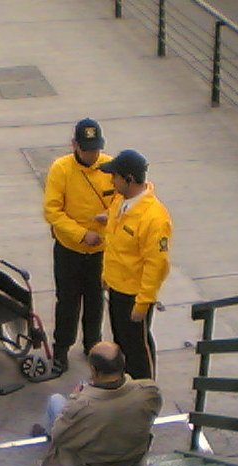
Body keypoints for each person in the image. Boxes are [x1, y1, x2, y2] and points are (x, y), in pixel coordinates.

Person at [43, 118, 115, 374]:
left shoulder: (109, 167)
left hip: (100, 251)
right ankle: (61, 348)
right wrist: (82, 235)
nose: (91, 154)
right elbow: (53, 211)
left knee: (96, 300)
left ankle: (92, 344)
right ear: (74, 145)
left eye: (95, 148)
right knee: (67, 302)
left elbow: (120, 201)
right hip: (70, 249)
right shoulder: (61, 169)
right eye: (86, 149)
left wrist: (111, 217)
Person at [98, 149, 172, 380]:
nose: (112, 180)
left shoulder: (154, 218)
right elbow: (116, 240)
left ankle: (145, 388)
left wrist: (143, 303)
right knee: (121, 340)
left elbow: (156, 265)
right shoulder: (122, 201)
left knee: (138, 347)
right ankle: (126, 383)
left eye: (115, 176)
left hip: (134, 295)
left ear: (129, 179)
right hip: (117, 288)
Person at [35, 342, 162, 466]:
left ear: (94, 370)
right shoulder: (149, 392)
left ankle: (45, 437)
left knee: (55, 400)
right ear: (122, 362)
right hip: (133, 458)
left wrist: (75, 397)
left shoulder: (80, 406)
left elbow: (59, 437)